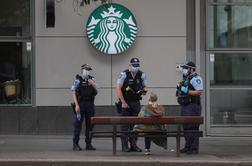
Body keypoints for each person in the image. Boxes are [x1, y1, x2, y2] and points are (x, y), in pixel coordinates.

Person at [116, 57, 147, 152]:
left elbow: (145, 86)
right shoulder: (124, 74)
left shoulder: (141, 74)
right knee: (124, 125)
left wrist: (144, 90)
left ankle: (134, 145)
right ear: (129, 65)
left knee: (135, 126)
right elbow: (118, 88)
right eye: (134, 66)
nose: (136, 67)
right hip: (125, 103)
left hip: (136, 103)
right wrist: (123, 102)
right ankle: (125, 146)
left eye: (137, 65)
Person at [176, 61, 203, 154]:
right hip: (185, 105)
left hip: (193, 106)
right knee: (186, 127)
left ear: (191, 69)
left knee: (193, 127)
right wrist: (179, 88)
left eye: (186, 68)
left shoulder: (196, 78)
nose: (184, 70)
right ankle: (187, 146)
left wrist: (186, 91)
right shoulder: (187, 78)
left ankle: (194, 148)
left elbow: (199, 92)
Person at [70, 64, 98, 151]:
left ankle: (88, 144)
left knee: (90, 125)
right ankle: (75, 143)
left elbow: (96, 91)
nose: (88, 71)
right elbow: (73, 92)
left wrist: (93, 84)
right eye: (86, 69)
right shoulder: (78, 80)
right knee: (77, 124)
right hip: (80, 104)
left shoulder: (92, 79)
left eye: (89, 69)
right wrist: (77, 105)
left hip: (90, 104)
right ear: (82, 70)